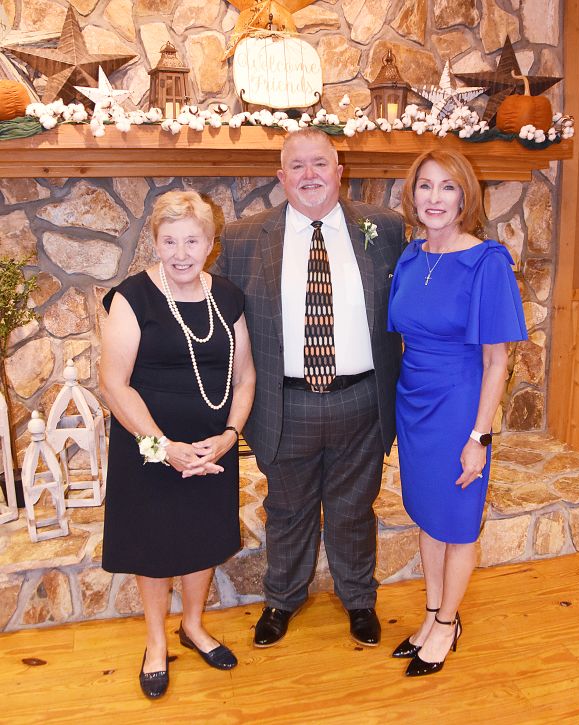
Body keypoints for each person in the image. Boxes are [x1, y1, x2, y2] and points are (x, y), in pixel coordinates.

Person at [214, 127, 404, 648]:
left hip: (362, 400)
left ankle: (359, 599)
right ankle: (282, 599)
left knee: (353, 509)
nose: (309, 175)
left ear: (340, 172)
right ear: (281, 177)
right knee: (287, 509)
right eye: (297, 166)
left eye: (320, 163)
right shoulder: (244, 238)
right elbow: (217, 314)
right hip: (284, 404)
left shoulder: (384, 228)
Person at [100, 190, 255, 699]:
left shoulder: (227, 297)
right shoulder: (132, 297)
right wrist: (162, 446)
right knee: (153, 544)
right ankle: (154, 641)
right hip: (146, 446)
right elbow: (114, 383)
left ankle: (192, 625)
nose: (181, 253)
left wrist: (229, 436)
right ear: (155, 242)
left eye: (192, 240)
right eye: (170, 241)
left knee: (201, 535)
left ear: (210, 244)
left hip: (211, 448)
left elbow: (245, 375)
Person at [387, 149, 527, 677]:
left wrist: (478, 436)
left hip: (459, 406)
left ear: (465, 197)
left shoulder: (487, 262)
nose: (435, 197)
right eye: (425, 185)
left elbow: (497, 361)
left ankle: (448, 623)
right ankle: (430, 613)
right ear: (413, 194)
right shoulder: (410, 256)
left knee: (459, 523)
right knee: (428, 515)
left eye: (448, 187)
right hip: (414, 403)